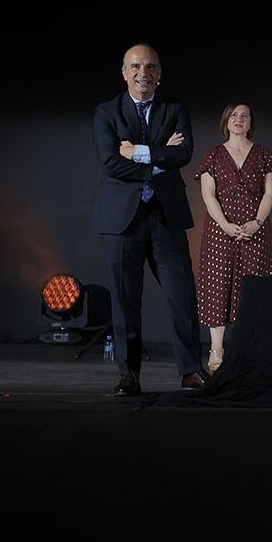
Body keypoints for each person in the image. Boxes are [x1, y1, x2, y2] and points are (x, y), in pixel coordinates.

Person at [92, 43, 205, 396]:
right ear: (124, 72)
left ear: (160, 73)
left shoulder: (175, 108)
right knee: (126, 301)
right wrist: (160, 160)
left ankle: (191, 371)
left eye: (151, 66)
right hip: (122, 221)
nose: (144, 72)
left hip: (165, 216)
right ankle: (129, 376)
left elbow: (183, 154)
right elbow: (111, 163)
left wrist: (138, 153)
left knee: (182, 296)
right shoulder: (106, 112)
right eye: (136, 66)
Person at [195, 103, 272, 373]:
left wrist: (256, 222)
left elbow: (268, 194)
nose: (239, 119)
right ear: (226, 121)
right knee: (217, 286)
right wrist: (225, 225)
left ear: (251, 122)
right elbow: (208, 195)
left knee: (254, 289)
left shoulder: (265, 154)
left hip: (256, 232)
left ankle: (251, 348)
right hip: (220, 232)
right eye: (234, 115)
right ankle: (216, 349)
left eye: (245, 115)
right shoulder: (213, 155)